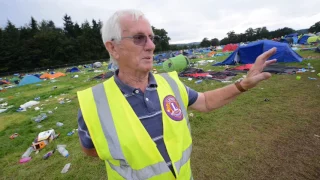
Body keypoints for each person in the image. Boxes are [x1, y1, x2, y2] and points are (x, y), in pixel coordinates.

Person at [77, 9, 277, 180]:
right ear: (113, 47)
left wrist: (243, 84)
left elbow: (205, 102)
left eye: (151, 37)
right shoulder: (94, 103)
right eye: (139, 38)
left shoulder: (170, 83)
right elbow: (91, 150)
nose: (151, 46)